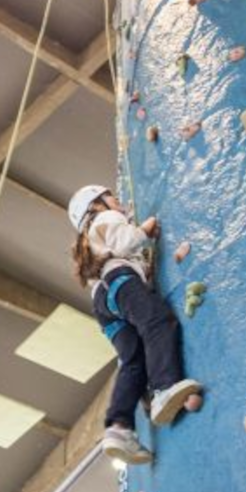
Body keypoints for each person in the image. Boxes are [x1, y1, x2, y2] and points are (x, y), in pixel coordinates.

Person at [68, 184, 203, 466]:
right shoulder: (104, 218)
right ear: (95, 206)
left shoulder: (90, 243)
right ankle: (165, 386)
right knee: (158, 322)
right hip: (119, 283)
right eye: (111, 197)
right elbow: (126, 242)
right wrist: (145, 229)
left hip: (104, 304)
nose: (118, 201)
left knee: (133, 361)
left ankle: (119, 427)